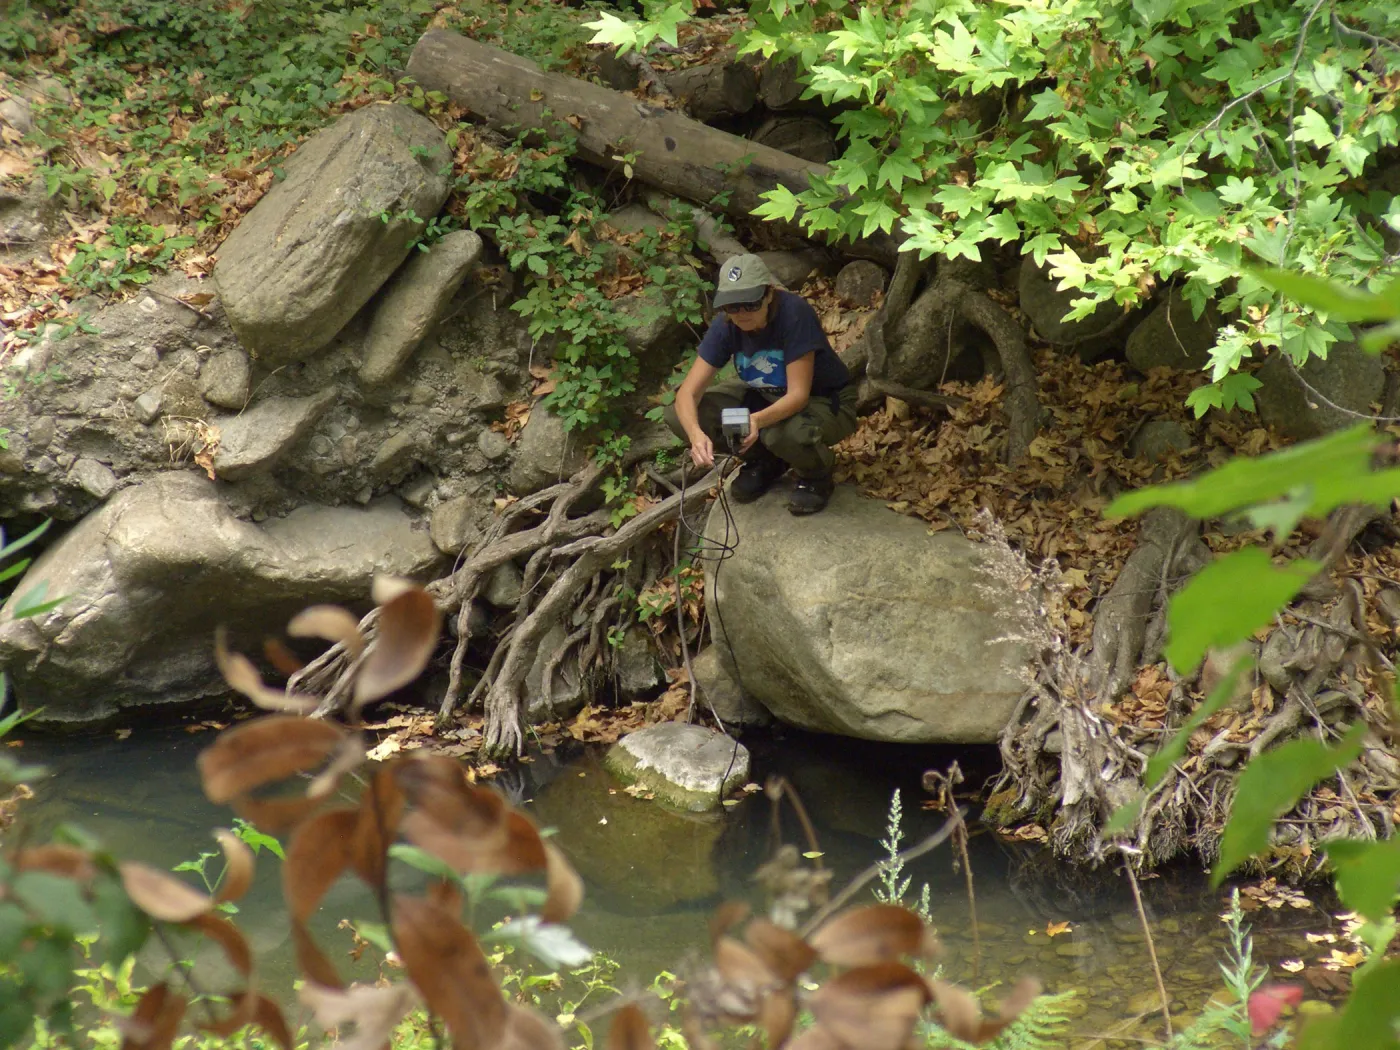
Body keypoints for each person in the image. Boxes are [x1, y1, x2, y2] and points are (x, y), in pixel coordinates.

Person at [665, 254, 858, 515]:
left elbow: (799, 395)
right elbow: (688, 393)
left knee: (780, 434)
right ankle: (765, 461)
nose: (741, 313)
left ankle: (816, 474)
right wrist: (695, 435)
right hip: (765, 394)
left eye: (750, 304)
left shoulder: (794, 314)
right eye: (732, 306)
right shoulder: (727, 324)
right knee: (681, 416)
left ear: (768, 294)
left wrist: (756, 422)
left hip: (825, 401)